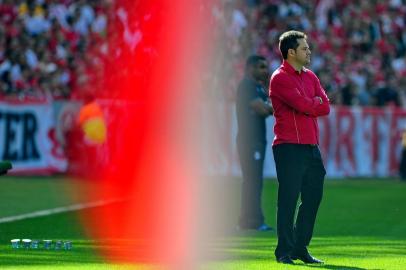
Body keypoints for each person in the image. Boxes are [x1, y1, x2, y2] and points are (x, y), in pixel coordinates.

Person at [269, 30, 330, 264]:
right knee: (288, 199)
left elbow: (325, 107)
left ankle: (299, 248)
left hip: (311, 147)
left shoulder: (310, 76)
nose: (309, 51)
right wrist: (311, 104)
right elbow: (304, 105)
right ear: (291, 52)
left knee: (313, 198)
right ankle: (283, 251)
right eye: (304, 48)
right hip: (289, 147)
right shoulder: (280, 77)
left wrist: (310, 104)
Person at [236, 55, 274, 231]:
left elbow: (267, 108)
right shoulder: (246, 86)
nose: (265, 70)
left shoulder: (258, 87)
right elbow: (263, 109)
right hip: (249, 140)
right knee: (252, 181)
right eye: (261, 67)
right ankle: (252, 221)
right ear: (250, 68)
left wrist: (269, 107)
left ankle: (248, 220)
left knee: (254, 181)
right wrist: (274, 107)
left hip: (258, 139)